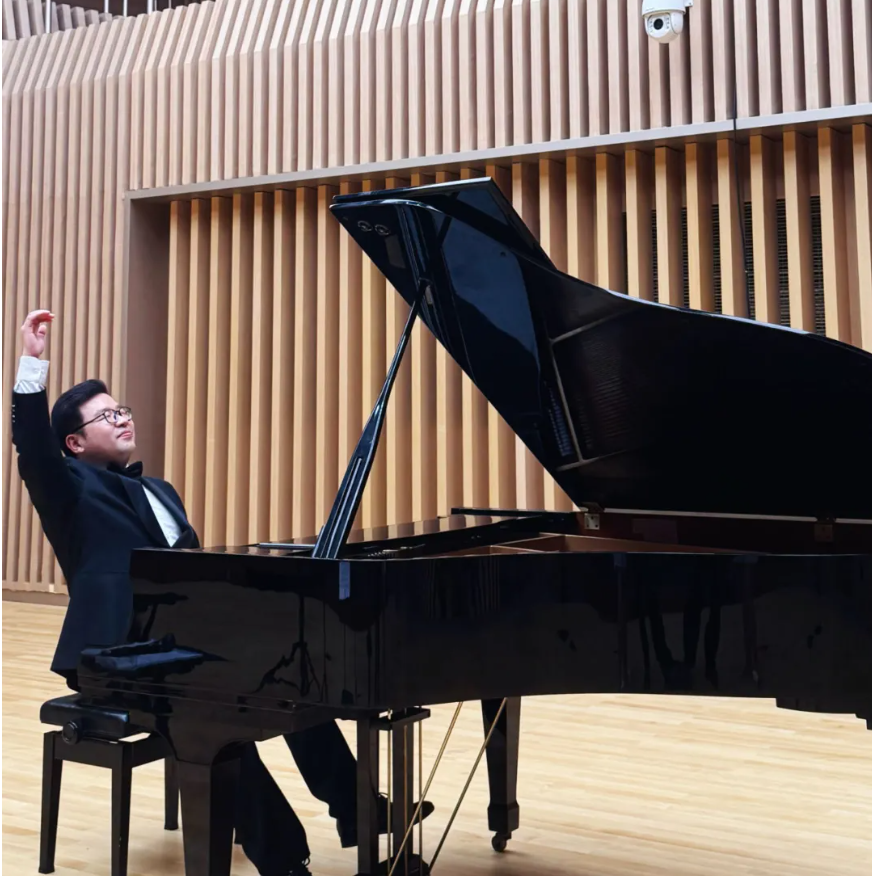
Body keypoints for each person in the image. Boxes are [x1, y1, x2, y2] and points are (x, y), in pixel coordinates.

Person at [11, 309, 431, 876]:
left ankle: (357, 812)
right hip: (118, 659)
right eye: (106, 416)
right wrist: (32, 361)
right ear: (75, 443)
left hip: (186, 646)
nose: (122, 418)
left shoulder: (161, 490)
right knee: (214, 728)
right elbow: (32, 447)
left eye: (122, 409)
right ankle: (284, 862)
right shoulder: (66, 488)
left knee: (294, 679)